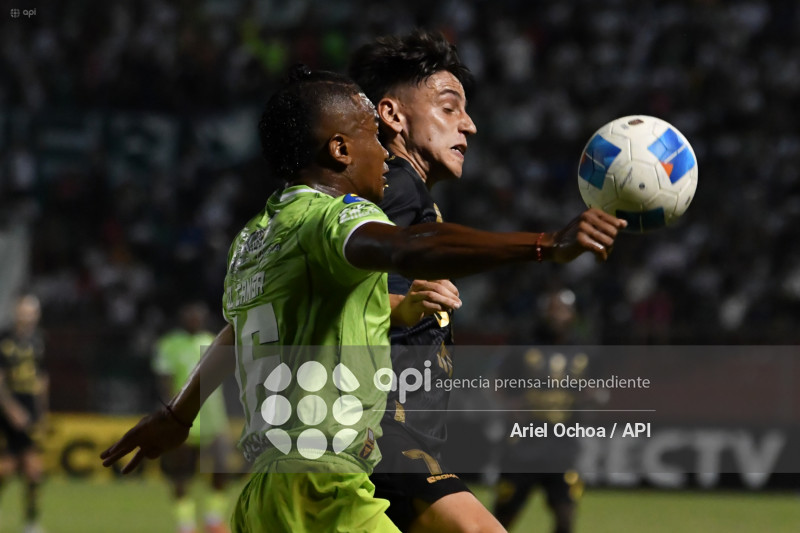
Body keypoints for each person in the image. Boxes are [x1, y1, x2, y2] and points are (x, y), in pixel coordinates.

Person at [101, 65, 625, 533]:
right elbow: (411, 248)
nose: (385, 151)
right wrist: (544, 245)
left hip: (266, 494)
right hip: (325, 489)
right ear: (340, 150)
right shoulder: (334, 216)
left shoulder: (256, 237)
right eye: (374, 135)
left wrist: (177, 414)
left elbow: (239, 334)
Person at [348, 30, 596, 533]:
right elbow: (341, 291)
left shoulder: (409, 197)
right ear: (393, 115)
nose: (471, 125)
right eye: (449, 107)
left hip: (396, 442)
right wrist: (543, 245)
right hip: (386, 439)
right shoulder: (394, 186)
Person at [153, 302, 232, 533]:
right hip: (183, 419)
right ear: (182, 318)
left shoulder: (215, 340)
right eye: (190, 316)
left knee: (223, 471)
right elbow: (164, 382)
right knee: (181, 475)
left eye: (198, 316)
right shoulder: (169, 345)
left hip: (213, 418)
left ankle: (213, 519)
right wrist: (168, 414)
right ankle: (185, 525)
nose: (194, 320)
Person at [0, 295, 48, 533]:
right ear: (16, 311)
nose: (28, 316)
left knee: (33, 471)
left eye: (33, 312)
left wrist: (42, 411)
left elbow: (42, 379)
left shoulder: (38, 341)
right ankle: (31, 523)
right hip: (6, 412)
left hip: (29, 412)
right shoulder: (4, 339)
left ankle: (31, 522)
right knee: (7, 468)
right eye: (25, 311)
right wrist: (11, 410)